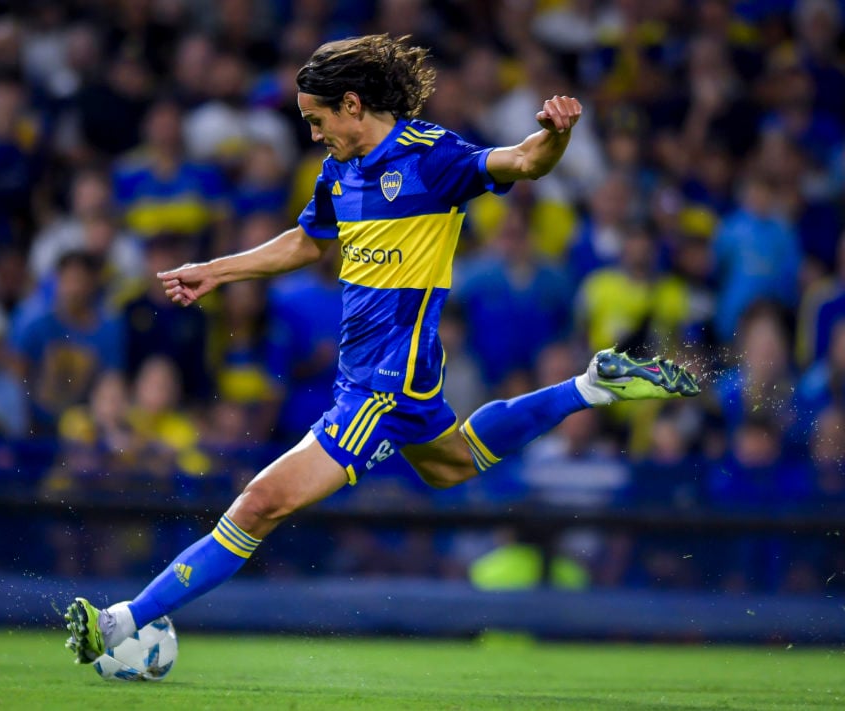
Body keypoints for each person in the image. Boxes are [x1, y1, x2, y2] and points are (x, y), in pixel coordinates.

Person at [64, 34, 701, 662]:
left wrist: (557, 135)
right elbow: (309, 241)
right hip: (376, 376)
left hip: (384, 381)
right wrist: (218, 270)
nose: (312, 134)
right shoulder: (338, 173)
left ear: (351, 104)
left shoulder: (432, 155)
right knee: (451, 464)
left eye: (316, 120)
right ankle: (591, 385)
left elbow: (522, 161)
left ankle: (120, 623)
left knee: (259, 503)